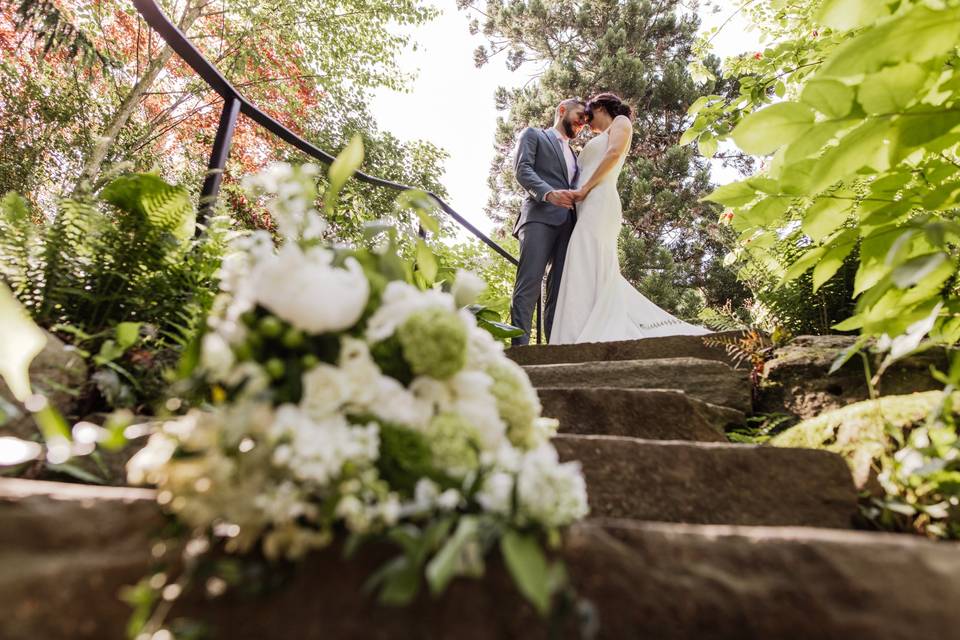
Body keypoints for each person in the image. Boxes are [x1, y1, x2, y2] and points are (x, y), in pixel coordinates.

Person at [549, 93, 710, 344]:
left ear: (601, 107)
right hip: (586, 205)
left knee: (590, 258)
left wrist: (584, 189)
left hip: (599, 200)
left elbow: (613, 154)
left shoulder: (621, 122)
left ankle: (587, 332)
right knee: (583, 263)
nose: (587, 123)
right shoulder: (599, 136)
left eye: (589, 115)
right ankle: (579, 329)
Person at [509, 98, 587, 345]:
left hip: (569, 225)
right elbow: (523, 170)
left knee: (558, 293)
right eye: (579, 115)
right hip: (539, 216)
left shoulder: (575, 155)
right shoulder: (534, 135)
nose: (583, 122)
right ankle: (519, 352)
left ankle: (554, 350)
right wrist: (548, 193)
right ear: (562, 110)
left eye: (586, 120)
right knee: (529, 283)